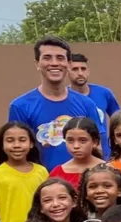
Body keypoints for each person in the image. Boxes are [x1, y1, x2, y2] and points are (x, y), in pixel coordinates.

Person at [8, 36, 98, 169]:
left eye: (60, 58)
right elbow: (16, 155)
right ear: (37, 64)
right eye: (47, 57)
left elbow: (98, 147)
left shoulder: (87, 104)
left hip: (82, 182)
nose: (54, 63)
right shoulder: (20, 106)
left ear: (68, 63)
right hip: (41, 185)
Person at [68, 52, 121, 139]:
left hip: (103, 150)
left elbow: (119, 120)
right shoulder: (64, 97)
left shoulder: (104, 93)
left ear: (88, 71)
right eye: (75, 69)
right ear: (67, 72)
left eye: (83, 69)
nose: (80, 73)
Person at [48, 116, 104, 188]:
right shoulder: (58, 173)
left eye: (83, 140)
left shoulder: (108, 169)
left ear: (95, 142)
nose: (76, 146)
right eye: (70, 140)